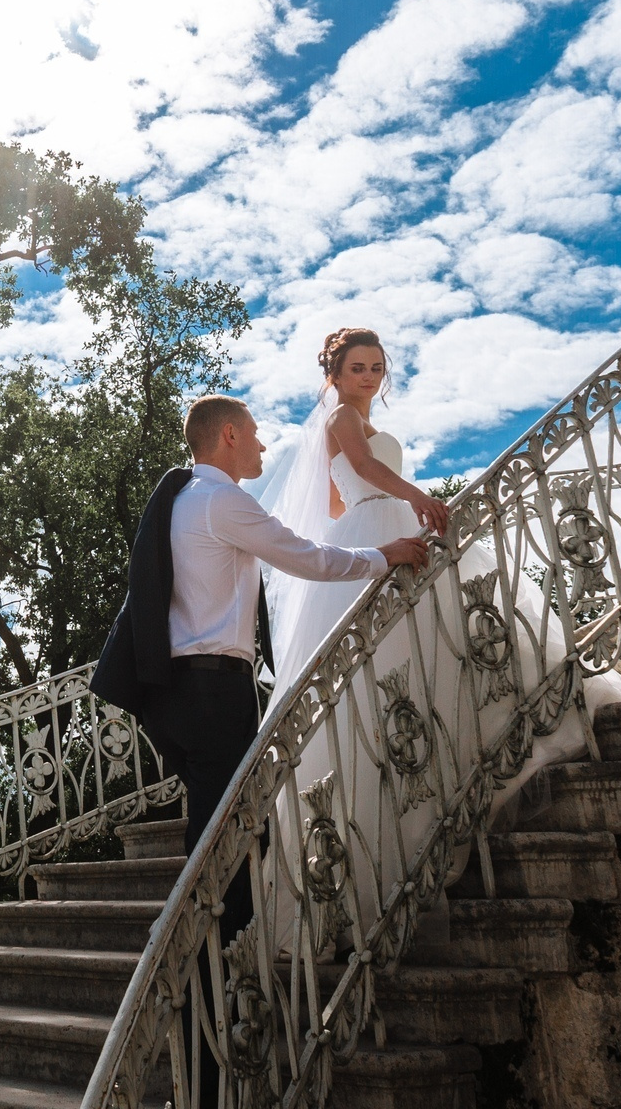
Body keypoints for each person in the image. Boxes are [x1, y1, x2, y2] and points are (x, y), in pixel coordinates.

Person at [262, 327, 621, 950]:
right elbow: (360, 469)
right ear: (335, 372)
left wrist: (379, 508)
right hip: (383, 526)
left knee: (436, 643)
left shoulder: (348, 421)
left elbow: (332, 500)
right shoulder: (337, 421)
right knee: (391, 658)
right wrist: (414, 502)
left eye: (378, 367)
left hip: (381, 523)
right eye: (358, 368)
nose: (370, 378)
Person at [90, 392, 422, 941]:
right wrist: (384, 555)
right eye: (255, 432)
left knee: (220, 827)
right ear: (229, 437)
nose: (264, 443)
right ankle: (209, 961)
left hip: (181, 690)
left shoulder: (185, 499)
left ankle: (214, 956)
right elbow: (308, 557)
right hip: (212, 690)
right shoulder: (223, 502)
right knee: (231, 835)